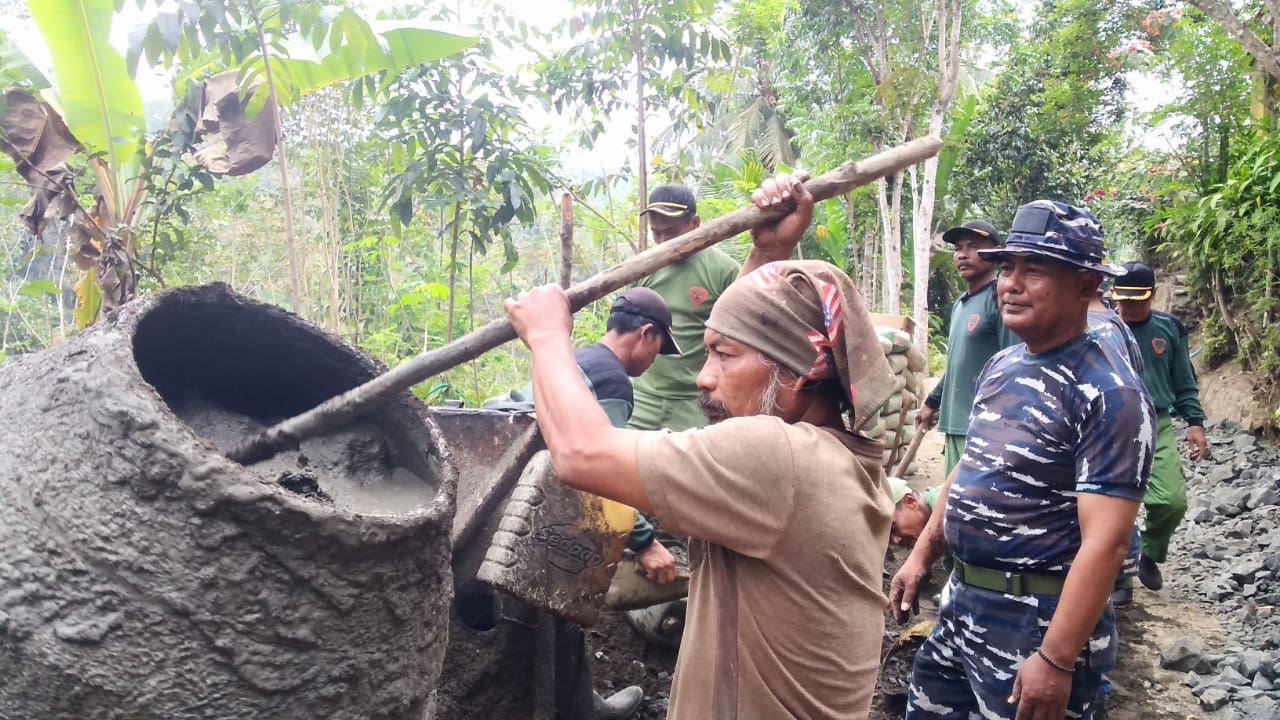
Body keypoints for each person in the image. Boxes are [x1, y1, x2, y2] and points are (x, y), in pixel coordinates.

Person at [505, 172, 898, 719]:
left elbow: (579, 454)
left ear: (799, 372)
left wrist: (548, 337)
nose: (702, 378)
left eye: (725, 357)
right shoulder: (832, 453)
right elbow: (756, 337)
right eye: (706, 353)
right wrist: (769, 251)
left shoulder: (775, 457)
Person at [890, 200, 1155, 720]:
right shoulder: (1002, 365)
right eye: (1008, 267)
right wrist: (922, 554)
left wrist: (1056, 659)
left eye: (1034, 270)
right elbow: (969, 470)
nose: (1010, 284)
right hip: (963, 605)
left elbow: (1108, 540)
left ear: (1086, 285)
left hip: (1037, 622)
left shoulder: (1108, 392)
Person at [1112, 261, 1208, 592]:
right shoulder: (1103, 327)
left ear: (1153, 294)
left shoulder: (1170, 328)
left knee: (1171, 501)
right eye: (1123, 300)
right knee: (1111, 500)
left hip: (1157, 421)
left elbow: (1183, 380)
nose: (1129, 307)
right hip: (1110, 422)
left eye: (1137, 299)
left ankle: (1149, 551)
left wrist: (1195, 422)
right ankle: (1117, 577)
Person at [628, 184, 740, 432]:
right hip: (642, 397)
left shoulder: (723, 271)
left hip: (694, 402)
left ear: (695, 223)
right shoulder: (642, 269)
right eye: (656, 233)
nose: (663, 242)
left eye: (671, 232)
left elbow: (738, 341)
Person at [918, 220, 1019, 476]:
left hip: (983, 430)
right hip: (955, 425)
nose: (963, 254)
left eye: (973, 246)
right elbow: (955, 365)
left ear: (996, 252)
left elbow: (1014, 365)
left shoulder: (999, 300)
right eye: (958, 248)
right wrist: (932, 401)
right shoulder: (961, 305)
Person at [887, 476, 941, 549]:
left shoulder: (950, 509)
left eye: (894, 528)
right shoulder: (936, 534)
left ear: (910, 502)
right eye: (887, 538)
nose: (896, 541)